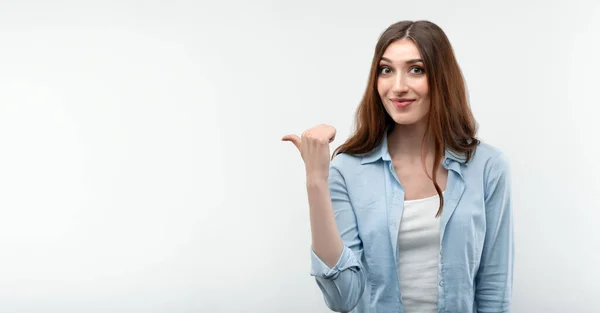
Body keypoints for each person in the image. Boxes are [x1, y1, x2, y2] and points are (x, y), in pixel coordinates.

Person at [282, 20, 514, 313]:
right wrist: (316, 180)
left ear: (442, 78)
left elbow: (494, 289)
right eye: (386, 70)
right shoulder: (347, 171)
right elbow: (343, 298)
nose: (398, 87)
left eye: (416, 69)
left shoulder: (488, 167)